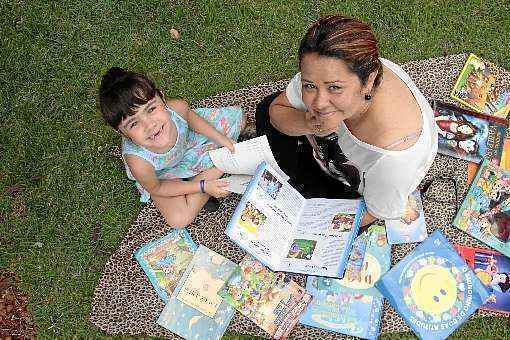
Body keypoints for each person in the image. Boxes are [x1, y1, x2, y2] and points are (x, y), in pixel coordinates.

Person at [256, 15, 438, 226]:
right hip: (327, 154)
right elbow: (277, 110)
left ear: (368, 81)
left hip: (351, 186)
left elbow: (373, 212)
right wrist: (310, 124)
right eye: (309, 85)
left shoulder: (394, 158)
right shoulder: (327, 69)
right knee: (264, 110)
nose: (319, 103)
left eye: (334, 88)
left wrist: (310, 224)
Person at [99, 67, 245, 227]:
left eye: (151, 109)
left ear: (162, 97)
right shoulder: (138, 162)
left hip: (189, 144)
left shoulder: (177, 108)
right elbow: (158, 188)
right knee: (178, 220)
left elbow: (191, 119)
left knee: (239, 120)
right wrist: (203, 186)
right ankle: (214, 171)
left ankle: (209, 172)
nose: (150, 125)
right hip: (164, 174)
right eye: (133, 123)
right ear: (120, 132)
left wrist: (222, 139)